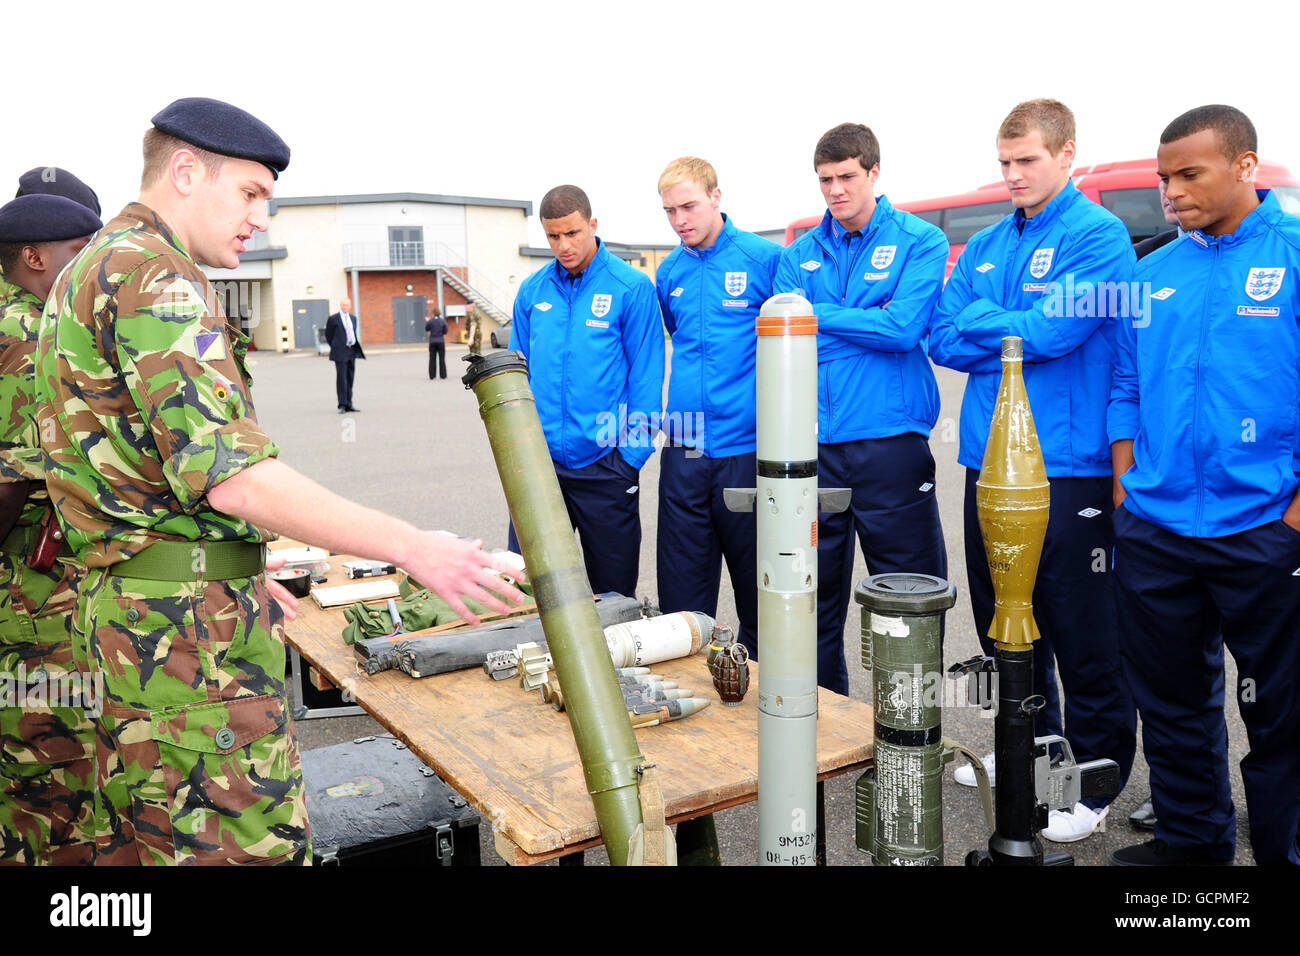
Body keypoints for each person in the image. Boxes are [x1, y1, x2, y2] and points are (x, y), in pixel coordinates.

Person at [35, 96, 525, 866]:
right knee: (240, 848)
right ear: (187, 172)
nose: (261, 217)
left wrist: (221, 568)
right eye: (251, 194)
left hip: (140, 617)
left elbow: (121, 469)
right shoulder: (154, 277)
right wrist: (413, 547)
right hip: (185, 649)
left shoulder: (90, 267)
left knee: (156, 841)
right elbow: (232, 477)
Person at [929, 99, 1136, 843]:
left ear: (1067, 154)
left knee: (1083, 634)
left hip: (1065, 466)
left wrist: (992, 318)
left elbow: (1054, 333)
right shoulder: (985, 241)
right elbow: (941, 338)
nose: (1013, 175)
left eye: (1028, 161)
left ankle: (1095, 779)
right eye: (1005, 162)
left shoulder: (1098, 235)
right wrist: (1011, 321)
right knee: (1006, 628)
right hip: (987, 464)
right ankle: (1031, 757)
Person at [1108, 104, 1300, 866]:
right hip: (1156, 532)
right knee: (1173, 705)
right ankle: (1193, 848)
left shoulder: (1291, 256)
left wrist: (1293, 515)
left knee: (1281, 715)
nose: (1170, 191)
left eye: (1190, 173)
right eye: (1163, 177)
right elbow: (1125, 383)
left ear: (1246, 166)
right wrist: (1127, 483)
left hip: (1263, 531)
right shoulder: (1151, 272)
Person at [773, 123, 949, 696]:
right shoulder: (798, 255)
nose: (835, 189)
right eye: (825, 179)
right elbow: (785, 343)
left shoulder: (920, 241)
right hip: (814, 449)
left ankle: (909, 745)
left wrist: (820, 314)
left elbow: (902, 330)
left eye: (847, 176)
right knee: (811, 603)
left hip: (890, 447)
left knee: (908, 601)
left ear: (874, 172)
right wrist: (863, 317)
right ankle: (822, 740)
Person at [0, 193, 101, 865]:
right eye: (79, 253)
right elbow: (10, 478)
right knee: (52, 779)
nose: (93, 265)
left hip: (33, 602)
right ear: (34, 258)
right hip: (35, 605)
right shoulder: (27, 334)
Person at [508, 185, 665, 597]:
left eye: (573, 233)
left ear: (592, 225)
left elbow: (646, 381)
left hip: (606, 468)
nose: (563, 245)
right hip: (540, 470)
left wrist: (628, 460)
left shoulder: (630, 287)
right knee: (530, 594)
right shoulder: (532, 291)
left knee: (612, 601)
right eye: (553, 237)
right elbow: (515, 376)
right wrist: (521, 453)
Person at [653, 157, 779, 657]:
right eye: (669, 211)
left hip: (744, 451)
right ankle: (689, 703)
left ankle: (764, 710)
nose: (680, 219)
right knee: (681, 598)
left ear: (716, 197)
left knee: (759, 594)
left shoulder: (763, 258)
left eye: (689, 206)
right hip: (683, 451)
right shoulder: (669, 271)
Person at [324, 297, 364, 412]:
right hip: (340, 352)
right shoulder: (333, 319)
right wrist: (336, 346)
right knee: (342, 379)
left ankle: (349, 404)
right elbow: (328, 335)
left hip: (351, 351)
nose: (345, 307)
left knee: (350, 378)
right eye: (343, 305)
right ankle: (342, 404)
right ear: (340, 306)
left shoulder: (353, 318)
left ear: (350, 306)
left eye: (347, 305)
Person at [425, 306, 447, 379]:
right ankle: (443, 375)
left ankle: (432, 375)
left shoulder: (430, 321)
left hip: (432, 341)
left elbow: (426, 329)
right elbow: (445, 331)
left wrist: (428, 321)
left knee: (432, 359)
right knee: (442, 359)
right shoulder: (442, 321)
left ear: (433, 313)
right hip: (440, 341)